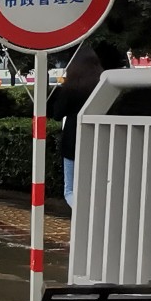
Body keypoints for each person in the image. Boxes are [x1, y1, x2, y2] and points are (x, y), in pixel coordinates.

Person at [46, 45, 106, 207]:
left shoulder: (71, 88)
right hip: (99, 141)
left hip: (73, 142)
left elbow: (57, 113)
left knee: (70, 190)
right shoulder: (103, 87)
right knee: (94, 186)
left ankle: (81, 216)